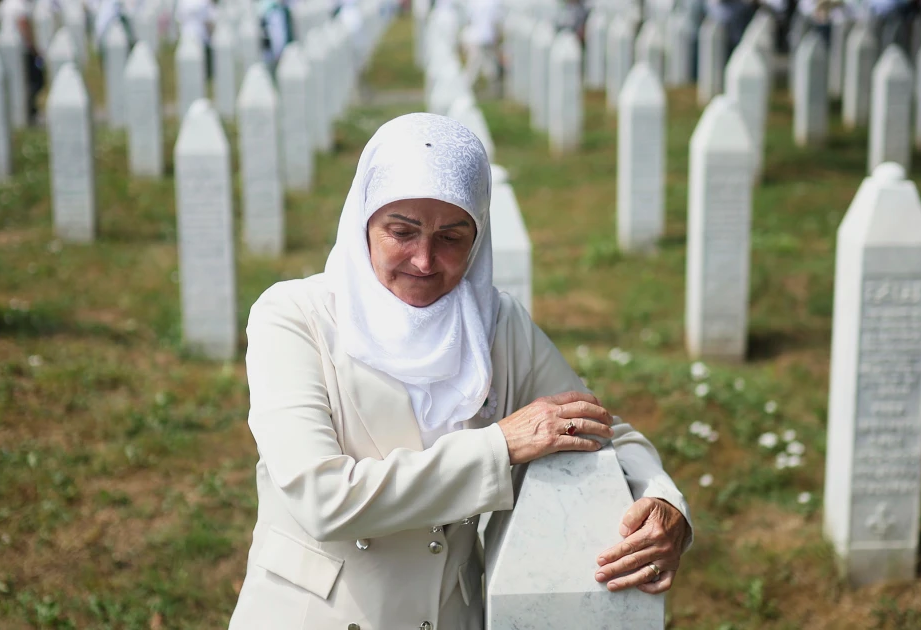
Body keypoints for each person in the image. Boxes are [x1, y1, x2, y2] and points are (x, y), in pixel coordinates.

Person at [227, 113, 692, 629]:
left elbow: (605, 432)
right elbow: (323, 499)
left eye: (452, 237)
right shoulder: (295, 317)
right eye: (401, 232)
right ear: (363, 221)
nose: (425, 261)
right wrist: (500, 447)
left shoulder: (495, 325)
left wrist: (662, 500)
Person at [0, 0, 44, 123]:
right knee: (34, 81)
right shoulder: (19, 5)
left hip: (7, 48)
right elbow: (23, 25)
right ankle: (29, 109)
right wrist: (33, 48)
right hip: (21, 50)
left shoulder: (6, 4)